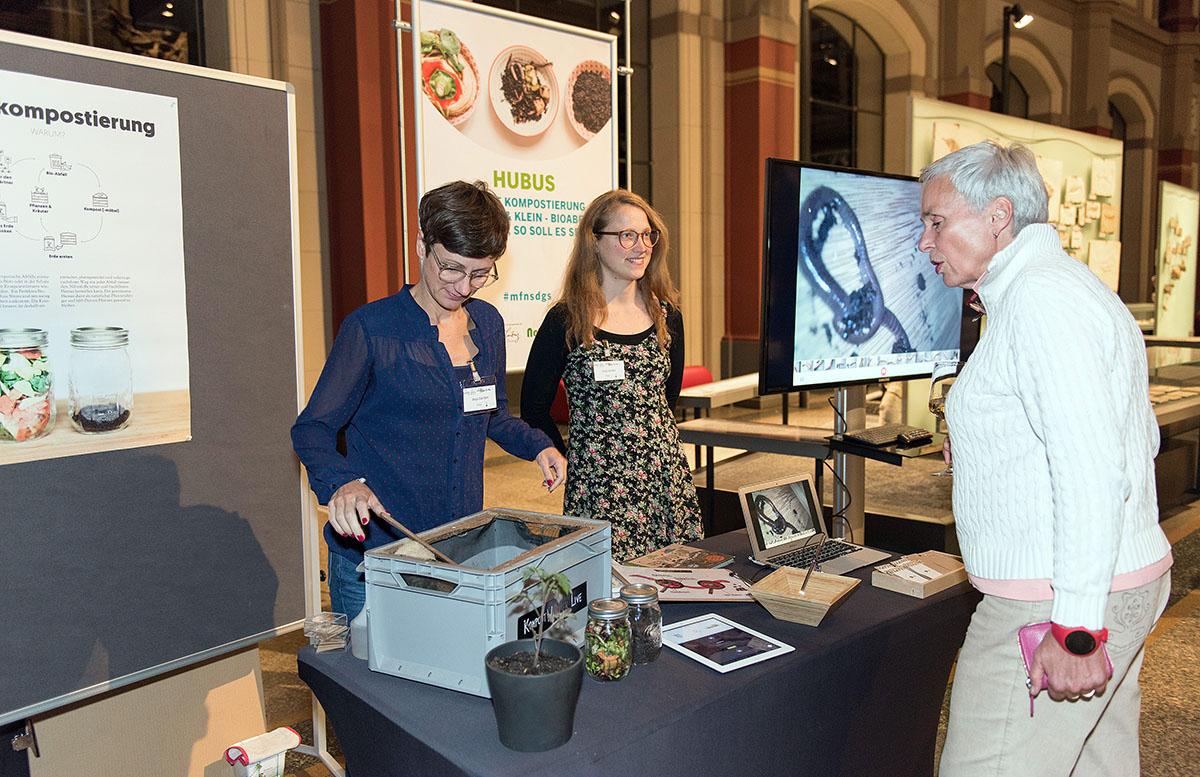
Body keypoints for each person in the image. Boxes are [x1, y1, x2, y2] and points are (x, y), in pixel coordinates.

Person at [918, 141, 1172, 776]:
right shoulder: (1052, 289)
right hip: (1112, 579)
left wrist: (1076, 629)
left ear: (998, 215)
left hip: (1055, 599)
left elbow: (1093, 472)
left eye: (937, 222)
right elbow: (1134, 440)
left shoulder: (1040, 302)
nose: (925, 243)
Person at [292, 180, 566, 621]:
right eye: (451, 268)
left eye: (480, 273)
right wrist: (342, 482)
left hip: (457, 549)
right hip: (377, 555)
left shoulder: (487, 322)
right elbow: (313, 429)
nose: (464, 286)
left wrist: (539, 444)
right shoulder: (373, 329)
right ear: (422, 244)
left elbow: (490, 413)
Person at [521, 189, 702, 561]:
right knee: (609, 595)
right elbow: (534, 407)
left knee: (679, 582)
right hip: (601, 488)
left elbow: (667, 399)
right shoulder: (566, 320)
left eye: (647, 234)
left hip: (666, 479)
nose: (641, 246)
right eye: (626, 235)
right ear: (595, 242)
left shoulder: (668, 316)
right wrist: (571, 456)